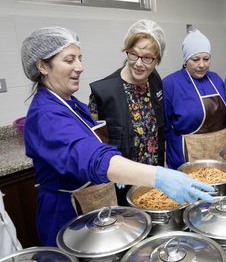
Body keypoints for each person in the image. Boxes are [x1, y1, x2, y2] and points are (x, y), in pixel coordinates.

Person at [21, 26, 214, 247]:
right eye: (69, 60)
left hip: (95, 204)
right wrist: (159, 176)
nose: (80, 67)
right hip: (66, 213)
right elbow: (91, 156)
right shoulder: (46, 115)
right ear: (42, 66)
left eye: (80, 58)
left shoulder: (69, 103)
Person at [88, 19, 165, 205]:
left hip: (153, 178)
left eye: (147, 58)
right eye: (133, 55)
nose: (139, 64)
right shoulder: (104, 92)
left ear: (157, 59)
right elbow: (93, 142)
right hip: (122, 180)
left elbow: (158, 129)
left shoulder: (154, 80)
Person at [163, 30, 226, 170]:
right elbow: (165, 127)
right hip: (187, 156)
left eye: (206, 59)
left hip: (219, 153)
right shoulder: (171, 84)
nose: (202, 65)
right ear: (186, 60)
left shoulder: (215, 79)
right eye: (195, 59)